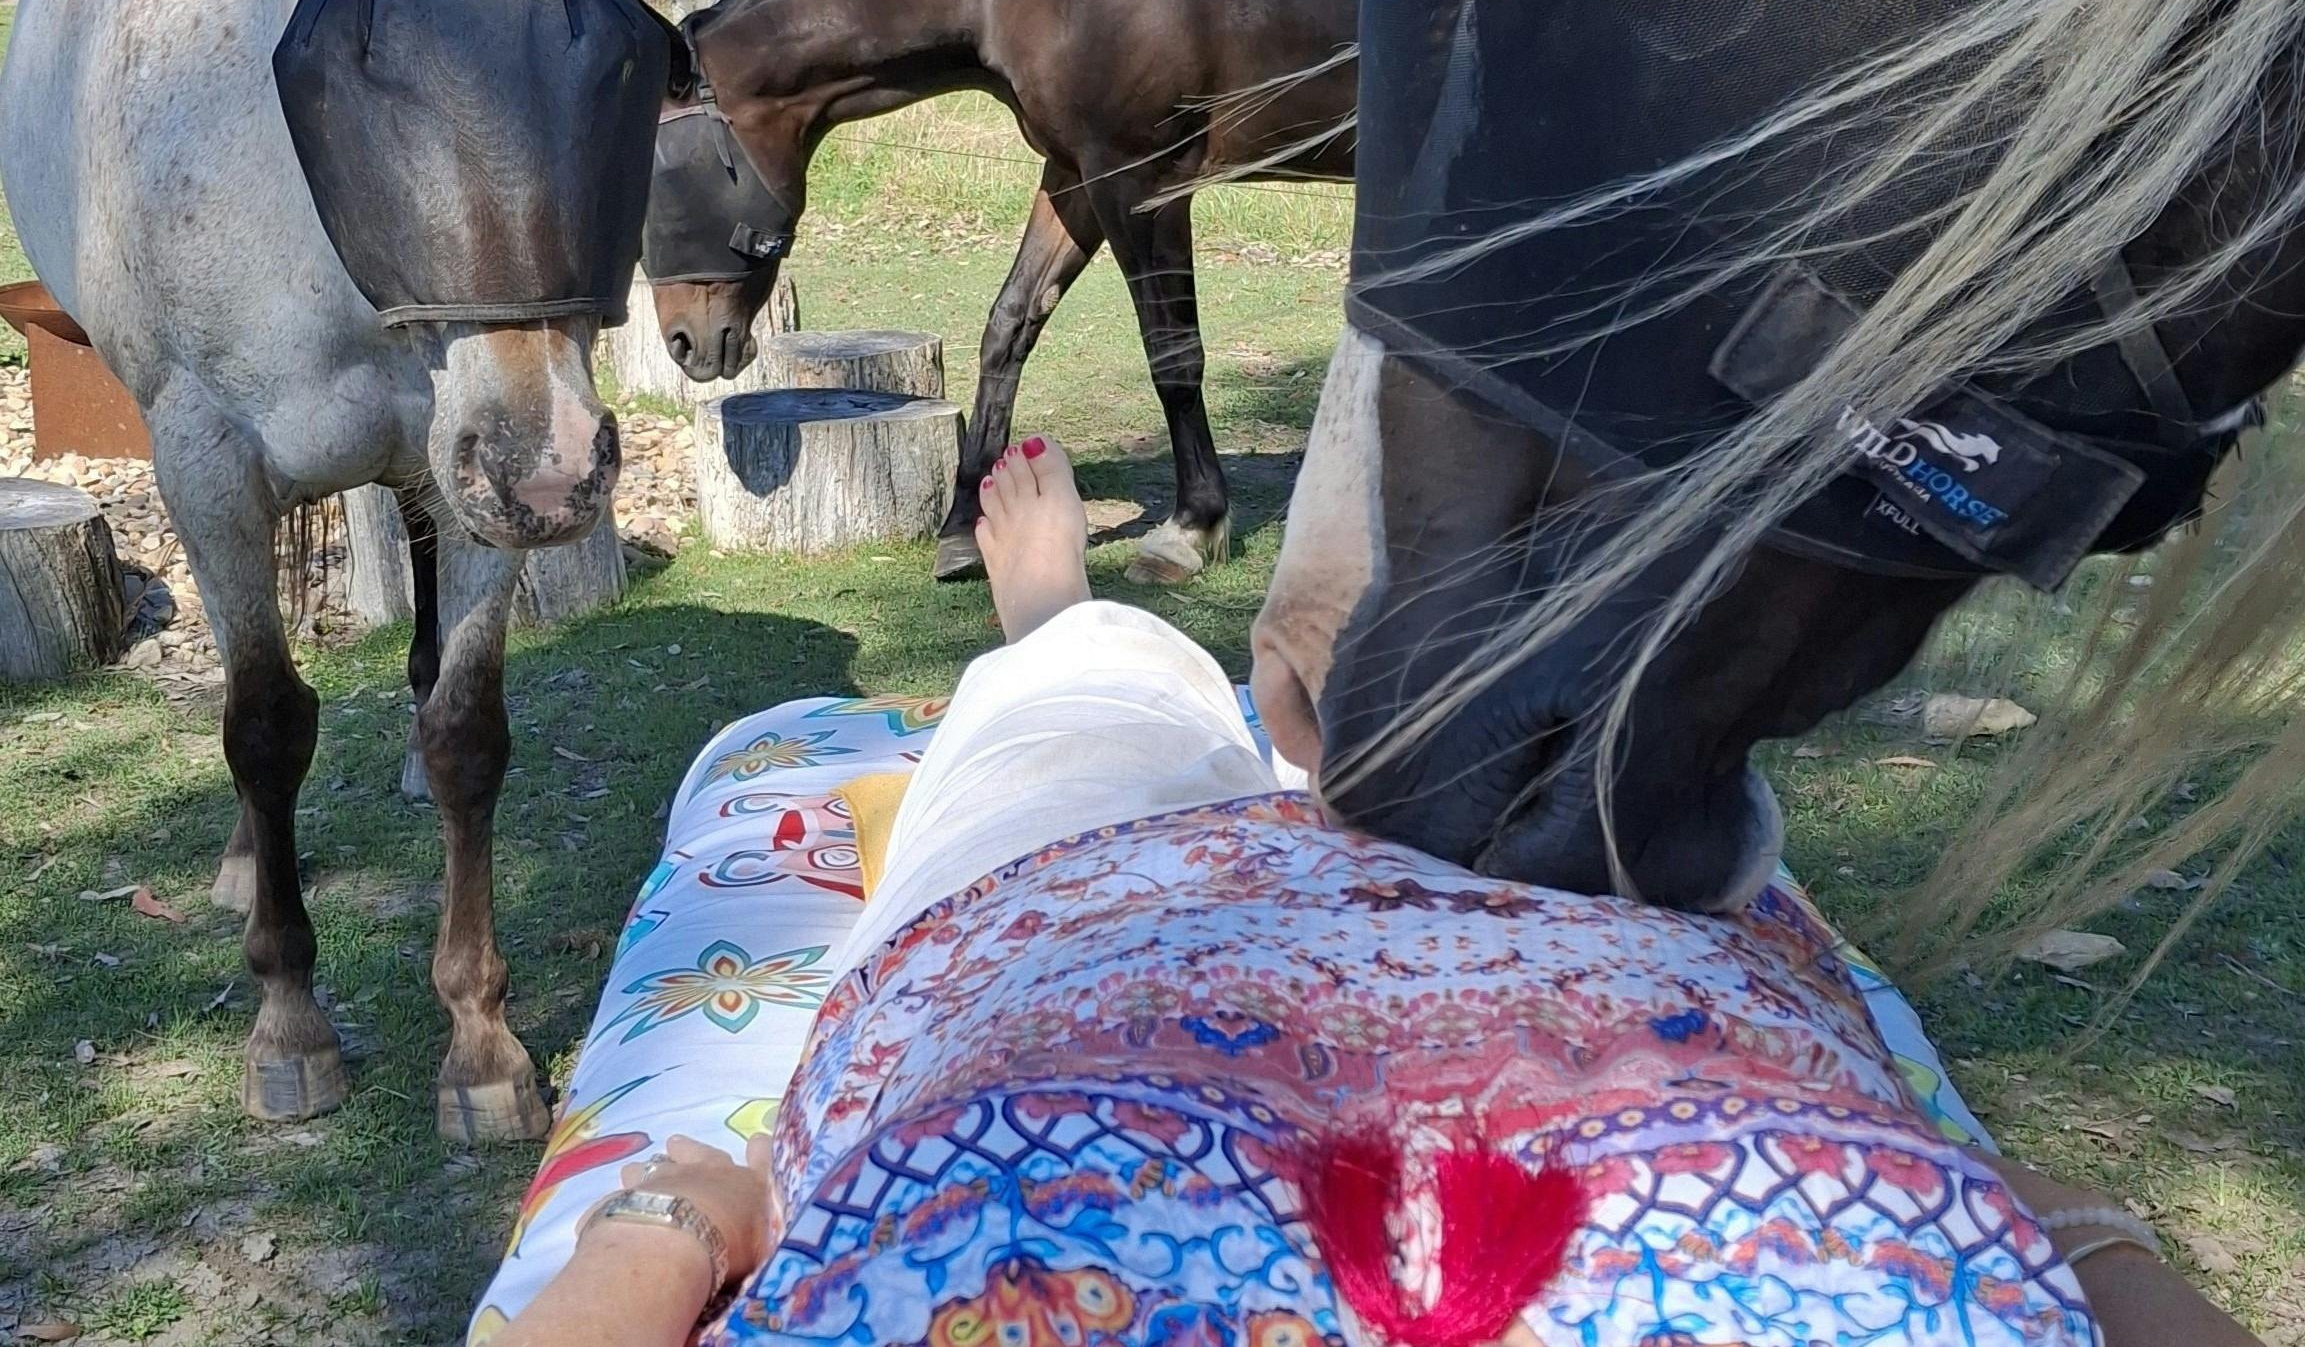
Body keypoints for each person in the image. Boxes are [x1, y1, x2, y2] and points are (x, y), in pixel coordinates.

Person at [494, 439, 2263, 1347]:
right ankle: (1208, 693)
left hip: (1074, 936)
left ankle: (1060, 625)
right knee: (1335, 741)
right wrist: (2031, 1210)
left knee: (1088, 691)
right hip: (1563, 955)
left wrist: (686, 1201)